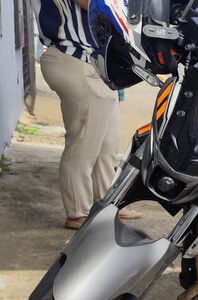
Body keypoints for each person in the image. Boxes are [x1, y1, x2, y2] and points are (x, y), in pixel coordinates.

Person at [32, 0, 142, 229]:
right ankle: (78, 212)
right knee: (84, 142)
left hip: (93, 62)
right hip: (73, 56)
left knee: (108, 143)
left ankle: (108, 204)